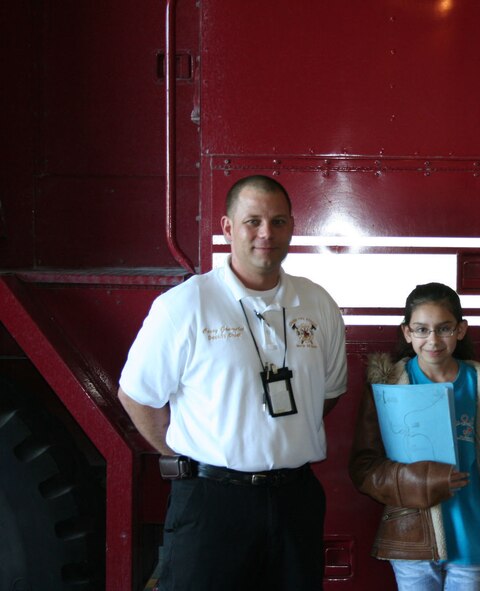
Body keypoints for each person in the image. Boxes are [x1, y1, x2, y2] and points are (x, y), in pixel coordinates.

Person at [117, 174, 347, 590]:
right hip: (211, 503)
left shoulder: (318, 303)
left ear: (293, 226)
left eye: (278, 222)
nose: (266, 233)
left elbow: (327, 394)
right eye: (252, 221)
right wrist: (189, 455)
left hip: (295, 500)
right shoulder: (186, 305)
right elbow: (137, 396)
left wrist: (276, 436)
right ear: (227, 227)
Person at [348, 282, 480, 590]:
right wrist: (418, 480)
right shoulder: (388, 387)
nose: (432, 340)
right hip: (412, 539)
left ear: (461, 330)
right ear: (407, 332)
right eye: (421, 330)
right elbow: (364, 468)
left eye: (443, 329)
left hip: (473, 538)